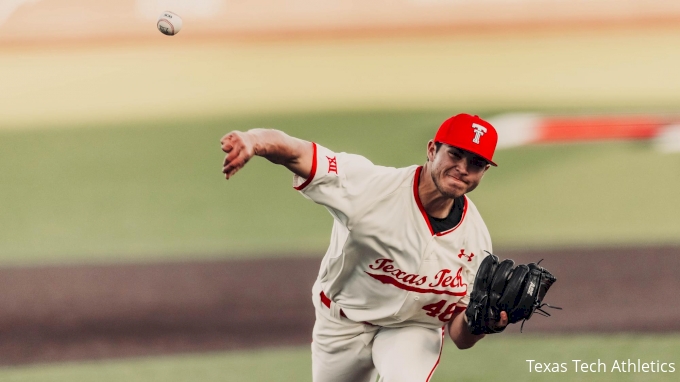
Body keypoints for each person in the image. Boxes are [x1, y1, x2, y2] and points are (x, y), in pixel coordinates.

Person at [220, 113, 508, 382]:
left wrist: (481, 322)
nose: (462, 168)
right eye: (455, 154)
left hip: (411, 327)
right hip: (342, 322)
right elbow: (297, 151)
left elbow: (460, 336)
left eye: (475, 163)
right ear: (432, 150)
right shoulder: (370, 187)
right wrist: (253, 141)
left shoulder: (476, 241)